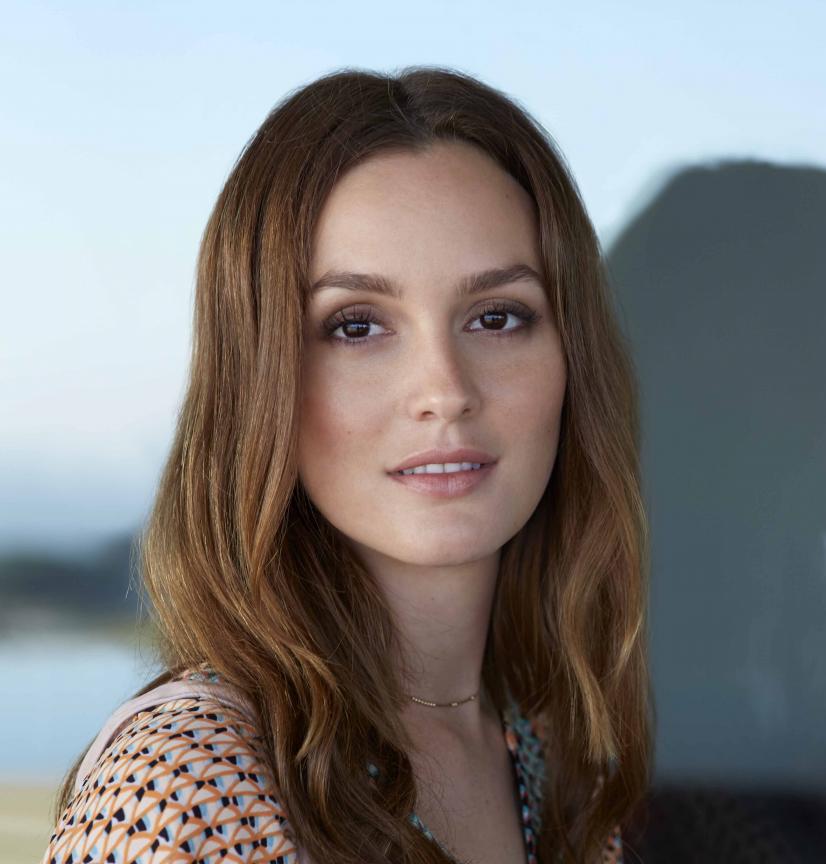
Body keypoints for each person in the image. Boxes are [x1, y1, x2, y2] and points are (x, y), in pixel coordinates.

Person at [40, 66, 652, 864]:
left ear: (572, 358)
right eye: (357, 326)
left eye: (497, 317)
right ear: (260, 381)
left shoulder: (559, 764)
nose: (444, 391)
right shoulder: (185, 791)